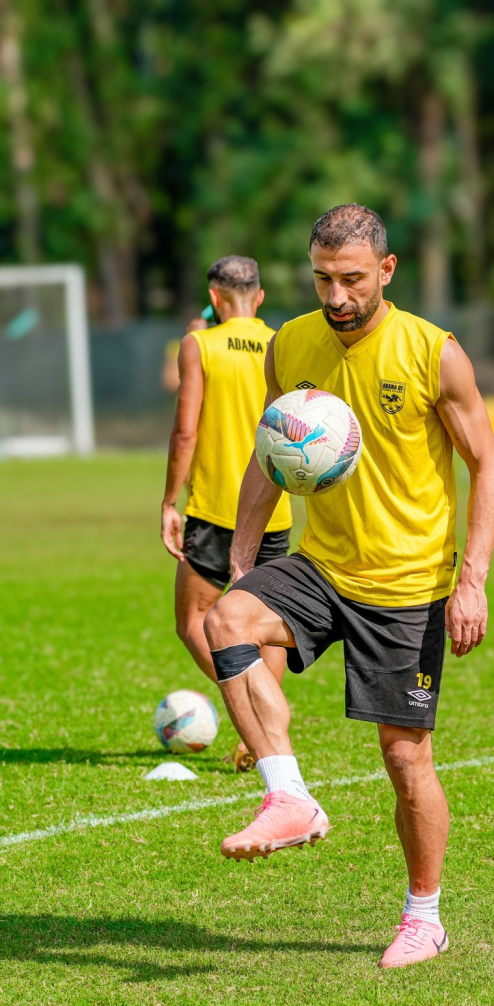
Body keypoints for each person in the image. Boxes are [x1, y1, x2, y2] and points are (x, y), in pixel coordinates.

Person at [204, 205, 494, 968]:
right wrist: (243, 554)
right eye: (322, 278)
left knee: (405, 759)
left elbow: (488, 466)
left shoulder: (434, 353)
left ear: (387, 270)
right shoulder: (292, 342)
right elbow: (271, 451)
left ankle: (424, 915)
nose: (337, 296)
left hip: (408, 583)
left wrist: (472, 580)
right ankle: (288, 795)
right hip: (324, 563)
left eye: (352, 280)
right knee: (226, 619)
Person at [160, 255, 292, 764]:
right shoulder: (282, 341)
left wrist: (170, 500)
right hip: (275, 507)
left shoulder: (199, 344)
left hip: (217, 507)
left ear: (214, 298)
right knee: (269, 624)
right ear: (258, 298)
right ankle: (268, 709)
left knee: (193, 618)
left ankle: (252, 709)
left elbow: (185, 430)